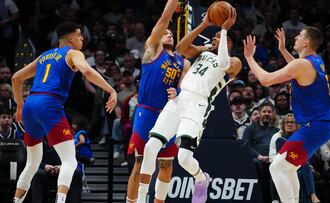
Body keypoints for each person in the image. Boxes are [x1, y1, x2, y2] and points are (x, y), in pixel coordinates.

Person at [137, 8, 241, 203]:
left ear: (227, 43)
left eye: (218, 37)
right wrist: (204, 24)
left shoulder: (234, 61)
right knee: (151, 146)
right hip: (179, 100)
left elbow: (225, 64)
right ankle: (142, 199)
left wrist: (225, 30)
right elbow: (181, 48)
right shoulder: (203, 53)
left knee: (183, 158)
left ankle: (201, 179)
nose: (214, 39)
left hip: (198, 105)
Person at [11, 22, 117, 203]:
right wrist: (111, 90)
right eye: (79, 35)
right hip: (49, 104)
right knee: (70, 161)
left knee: (32, 163)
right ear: (70, 38)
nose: (82, 38)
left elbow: (16, 78)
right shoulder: (73, 53)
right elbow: (86, 71)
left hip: (31, 104)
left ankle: (16, 201)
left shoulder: (45, 56)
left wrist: (20, 105)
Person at [243, 26, 330, 203]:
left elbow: (265, 80)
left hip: (316, 125)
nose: (296, 37)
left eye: (300, 35)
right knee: (288, 168)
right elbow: (297, 69)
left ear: (306, 42)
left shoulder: (301, 64)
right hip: (323, 124)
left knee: (277, 167)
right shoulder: (316, 60)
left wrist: (249, 57)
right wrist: (283, 50)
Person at [125, 0, 190, 202]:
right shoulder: (152, 50)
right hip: (147, 111)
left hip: (168, 114)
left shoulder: (182, 61)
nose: (168, 34)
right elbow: (163, 20)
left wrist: (177, 92)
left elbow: (184, 87)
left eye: (171, 33)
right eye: (165, 33)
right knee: (140, 161)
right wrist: (172, 3)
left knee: (166, 164)